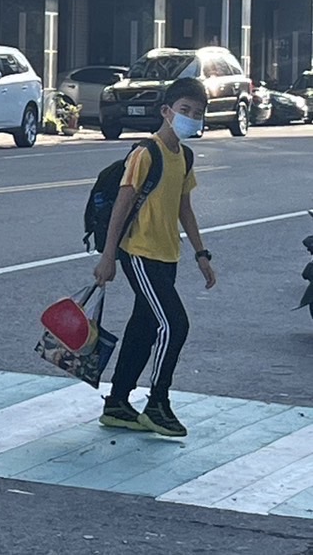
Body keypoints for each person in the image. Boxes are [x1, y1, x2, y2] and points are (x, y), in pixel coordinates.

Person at [93, 76, 217, 438]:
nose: (191, 117)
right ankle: (157, 402)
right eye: (185, 110)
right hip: (140, 252)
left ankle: (117, 403)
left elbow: (184, 207)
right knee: (174, 324)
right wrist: (108, 257)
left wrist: (201, 253)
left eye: (197, 112)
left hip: (167, 254)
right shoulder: (146, 153)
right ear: (166, 111)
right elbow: (122, 205)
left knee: (144, 328)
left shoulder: (184, 156)